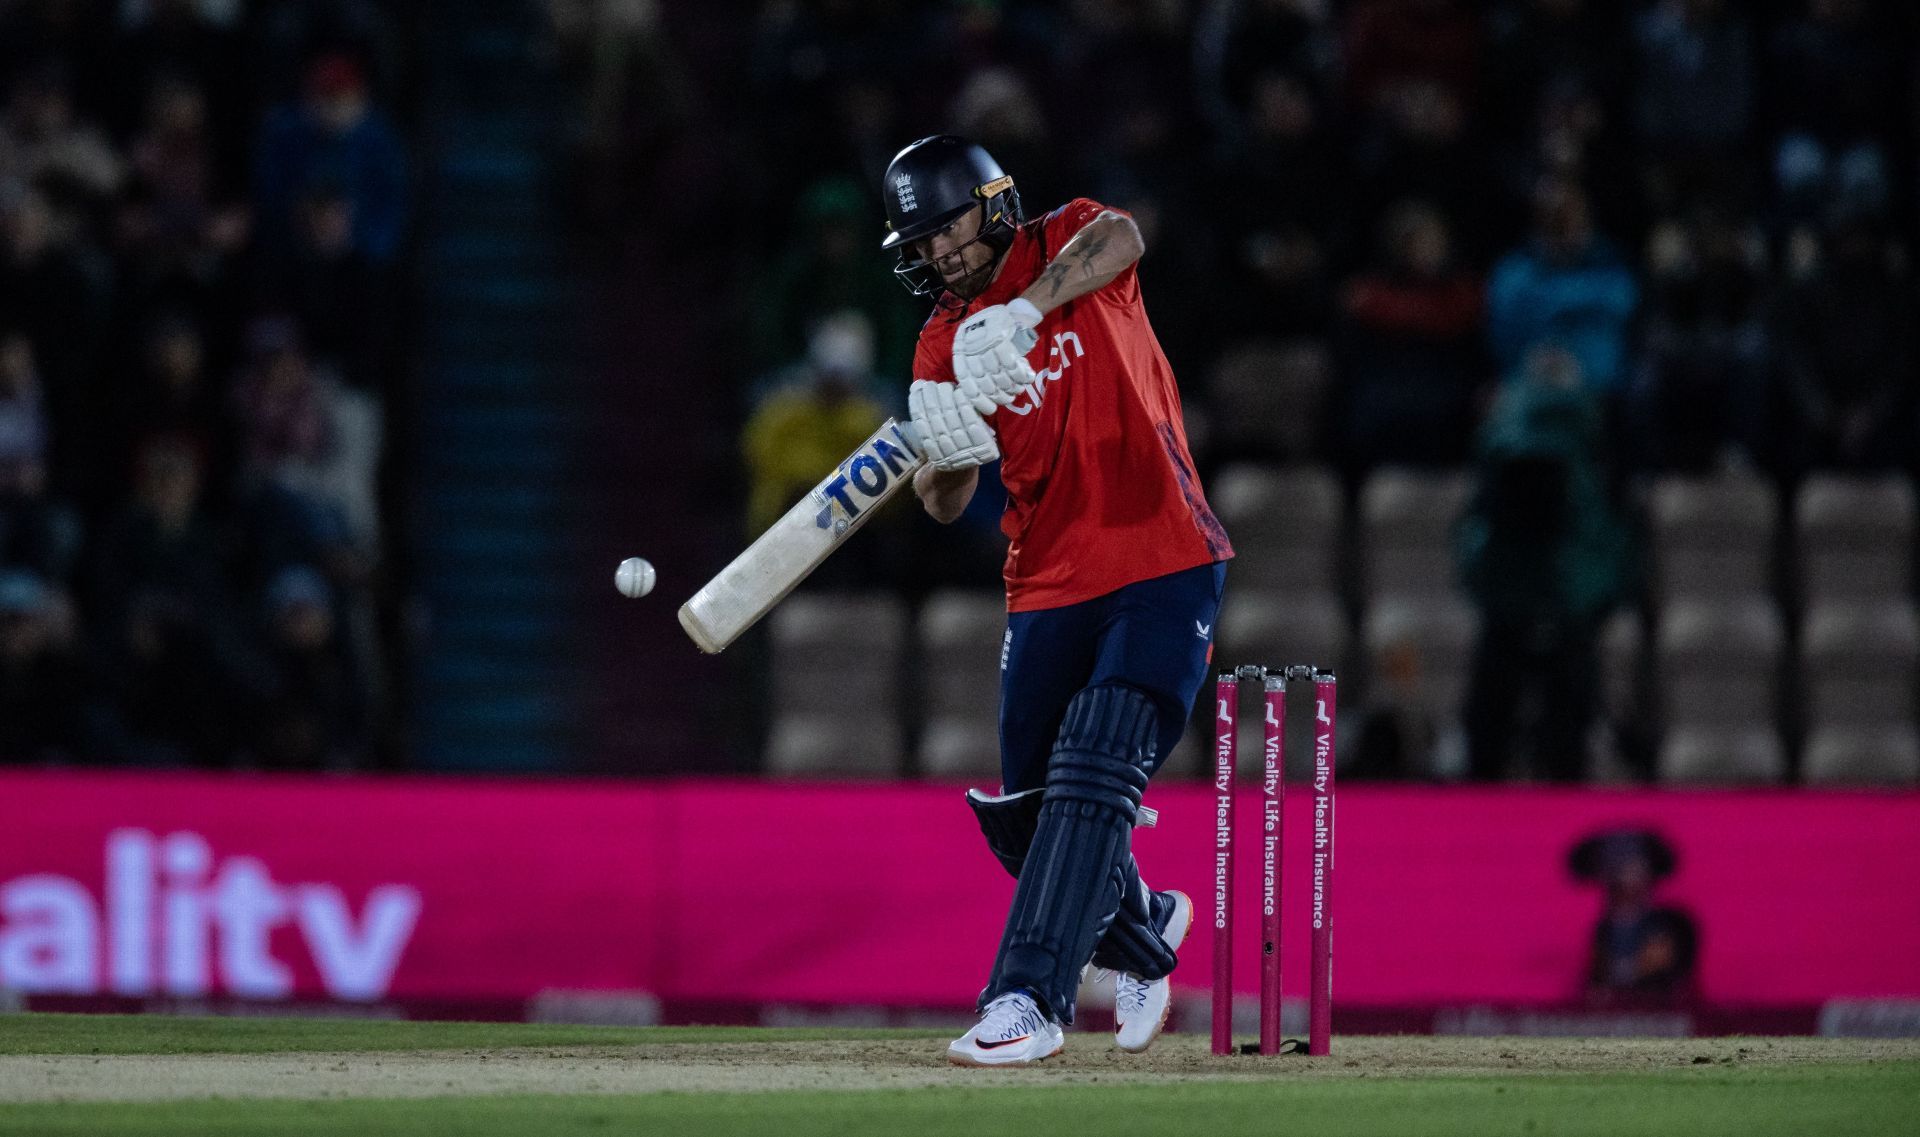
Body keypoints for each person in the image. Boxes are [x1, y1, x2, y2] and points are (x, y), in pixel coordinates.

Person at [879, 135, 1232, 1065]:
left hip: (1163, 551)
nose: (940, 253)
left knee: (1097, 761)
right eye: (921, 242)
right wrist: (950, 449)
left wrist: (1025, 315)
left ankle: (1027, 1001)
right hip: (1044, 580)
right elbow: (943, 495)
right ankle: (1148, 924)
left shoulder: (1068, 241)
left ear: (991, 202)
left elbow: (1122, 236)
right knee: (1030, 814)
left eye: (947, 227)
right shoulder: (938, 339)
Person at [1568, 828, 1699, 1006]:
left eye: (1632, 863)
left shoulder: (1671, 926)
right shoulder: (1602, 930)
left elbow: (1666, 978)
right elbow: (1595, 981)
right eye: (1611, 865)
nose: (1621, 876)